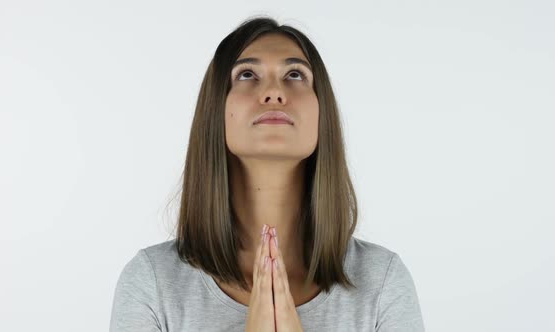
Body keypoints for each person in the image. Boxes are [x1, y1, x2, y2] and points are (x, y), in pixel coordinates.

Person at [109, 16, 425, 332]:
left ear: (321, 111)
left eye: (295, 75)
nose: (274, 92)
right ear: (215, 111)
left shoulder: (382, 282)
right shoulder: (152, 283)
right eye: (247, 74)